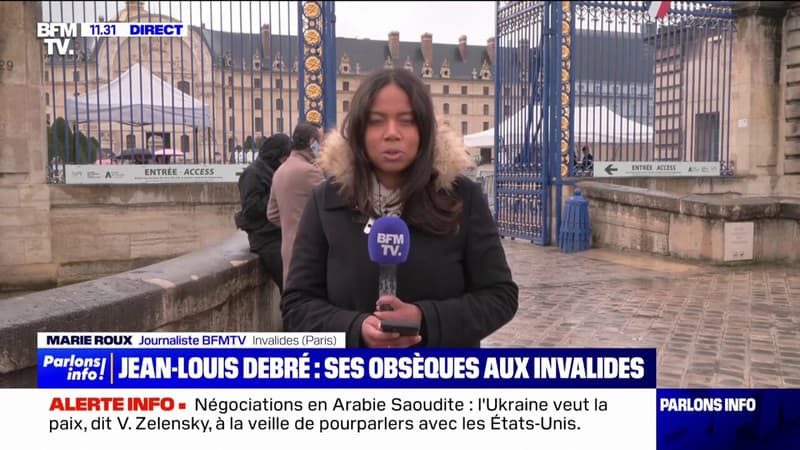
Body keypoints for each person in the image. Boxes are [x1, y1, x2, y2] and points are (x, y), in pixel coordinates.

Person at [281, 68, 518, 348]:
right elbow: (297, 306)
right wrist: (355, 330)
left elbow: (500, 297)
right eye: (376, 122)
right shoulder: (326, 201)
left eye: (406, 121)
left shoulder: (462, 198)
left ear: (424, 130)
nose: (392, 134)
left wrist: (426, 319)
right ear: (359, 129)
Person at [267, 122, 325, 288]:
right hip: (310, 249)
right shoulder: (310, 172)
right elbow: (335, 202)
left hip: (288, 249)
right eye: (320, 143)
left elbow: (271, 214)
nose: (320, 148)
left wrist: (290, 223)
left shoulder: (280, 171)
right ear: (312, 141)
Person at [235, 133, 291, 291]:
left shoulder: (275, 170)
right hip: (265, 238)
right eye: (284, 156)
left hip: (278, 233)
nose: (286, 161)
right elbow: (251, 208)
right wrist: (277, 197)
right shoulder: (253, 173)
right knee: (288, 284)